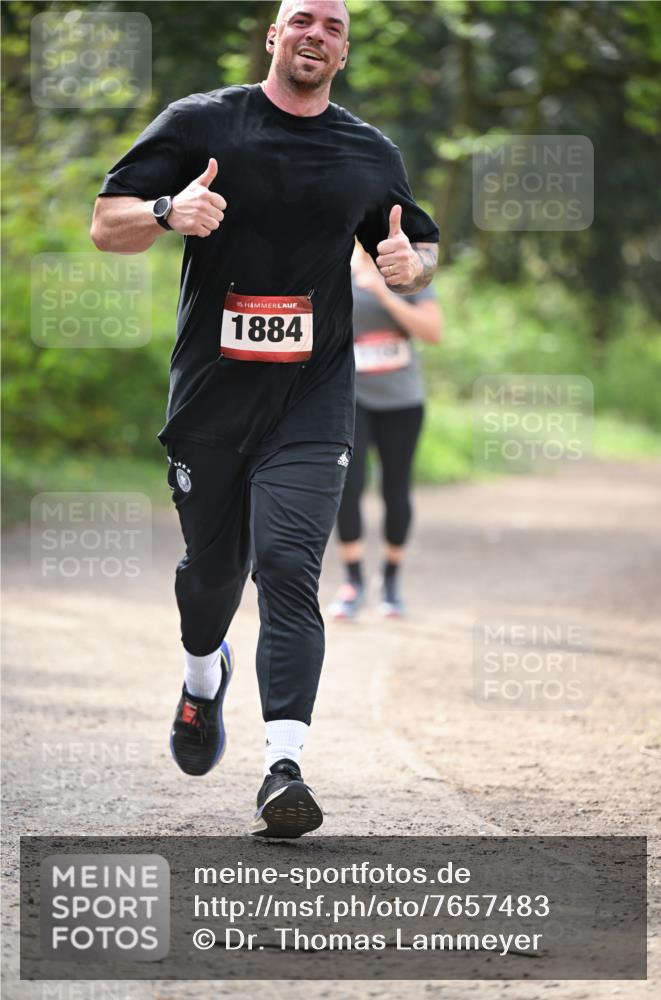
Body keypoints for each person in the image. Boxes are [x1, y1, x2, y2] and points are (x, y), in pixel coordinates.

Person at [90, 0, 439, 838]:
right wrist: (168, 212)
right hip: (211, 397)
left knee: (287, 565)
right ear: (276, 35)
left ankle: (283, 767)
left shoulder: (368, 151)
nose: (316, 34)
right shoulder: (202, 122)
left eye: (333, 26)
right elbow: (106, 224)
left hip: (311, 400)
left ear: (343, 52)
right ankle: (201, 677)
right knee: (212, 575)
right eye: (302, 20)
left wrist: (411, 264)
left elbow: (418, 248)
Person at [329, 243, 442, 620]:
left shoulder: (408, 269)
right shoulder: (333, 265)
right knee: (347, 486)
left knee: (396, 490)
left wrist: (383, 293)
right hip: (351, 400)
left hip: (401, 402)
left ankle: (391, 581)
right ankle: (352, 581)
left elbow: (433, 331)